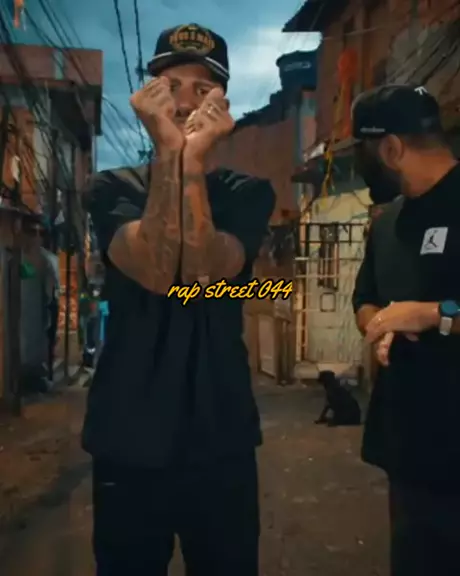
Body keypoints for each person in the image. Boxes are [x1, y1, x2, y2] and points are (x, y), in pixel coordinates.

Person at [82, 23, 275, 576]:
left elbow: (204, 271)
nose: (186, 103)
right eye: (171, 87)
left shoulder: (247, 194)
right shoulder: (111, 188)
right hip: (127, 435)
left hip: (220, 436)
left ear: (223, 102)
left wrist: (190, 163)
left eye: (203, 89)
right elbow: (156, 271)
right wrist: (171, 150)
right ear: (149, 95)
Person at [351, 84, 460, 576]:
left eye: (363, 151)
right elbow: (364, 298)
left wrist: (436, 313)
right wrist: (380, 324)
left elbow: (434, 310)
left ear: (391, 148)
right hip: (411, 451)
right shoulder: (387, 221)